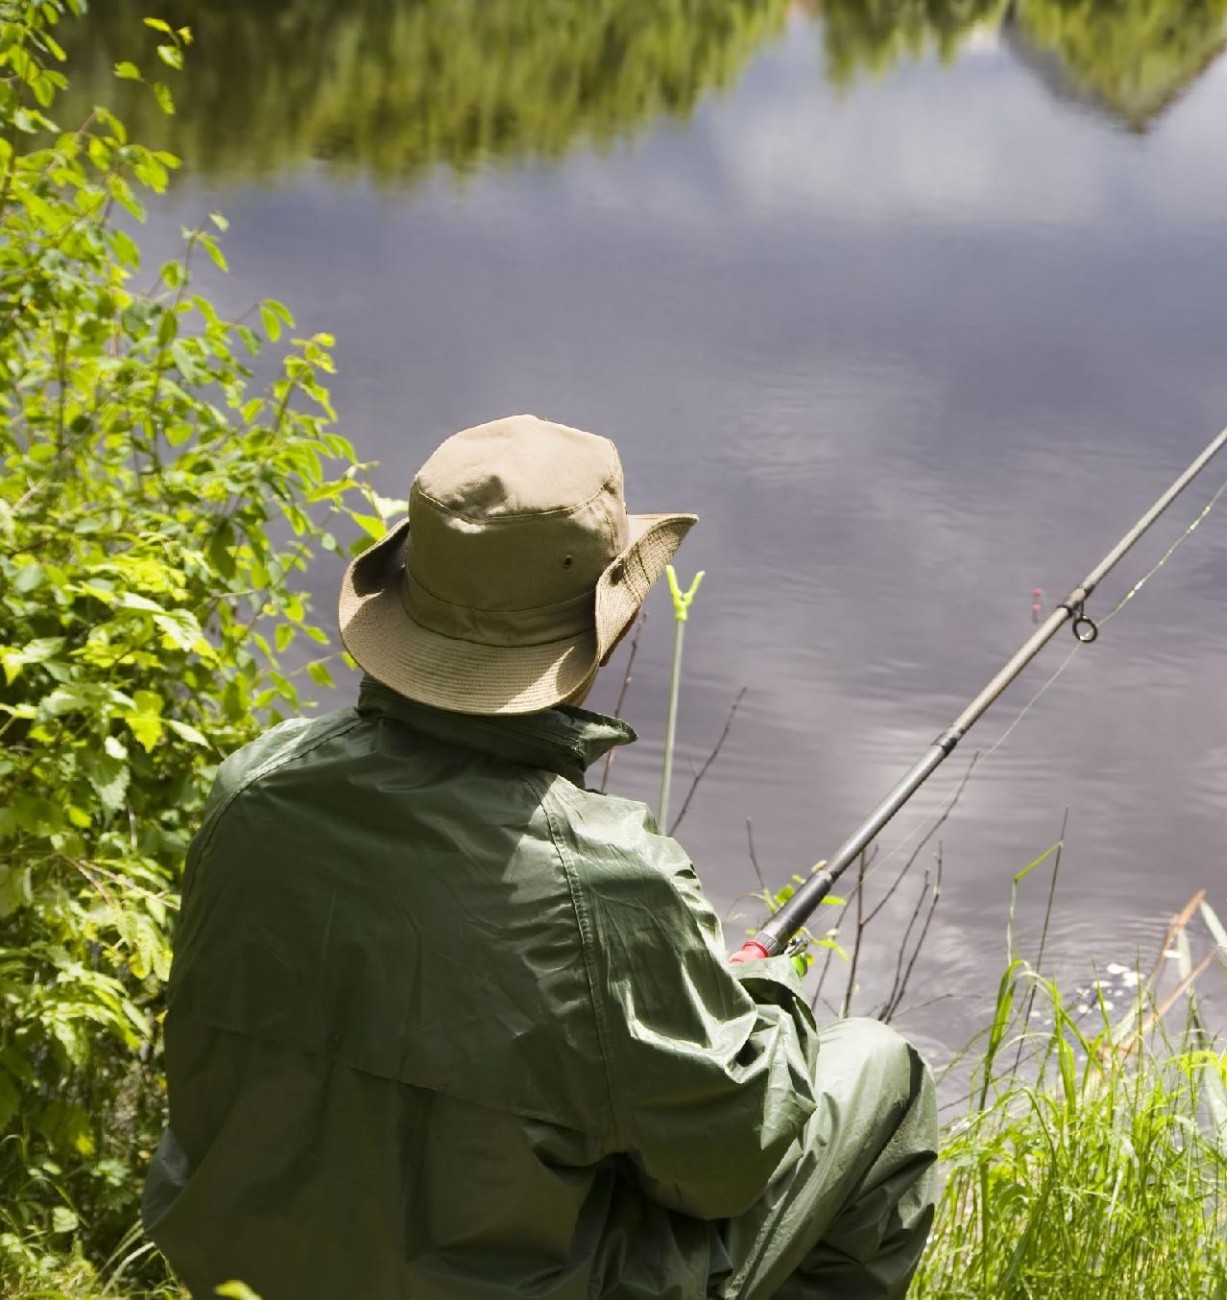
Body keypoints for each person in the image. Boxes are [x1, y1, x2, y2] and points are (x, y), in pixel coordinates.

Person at [142, 415, 939, 1299]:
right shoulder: (608, 877)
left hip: (244, 1269)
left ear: (405, 601)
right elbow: (723, 1165)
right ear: (602, 631)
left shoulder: (253, 786)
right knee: (878, 1069)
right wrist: (764, 994)